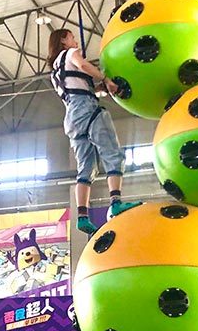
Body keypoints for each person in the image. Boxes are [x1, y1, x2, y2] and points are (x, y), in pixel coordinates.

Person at [47, 28, 139, 234]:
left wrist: (100, 88)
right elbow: (84, 65)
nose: (75, 40)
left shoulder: (54, 70)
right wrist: (105, 78)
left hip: (72, 117)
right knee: (113, 154)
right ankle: (115, 202)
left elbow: (77, 88)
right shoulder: (71, 54)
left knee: (86, 167)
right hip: (88, 109)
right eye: (71, 37)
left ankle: (81, 216)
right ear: (63, 40)